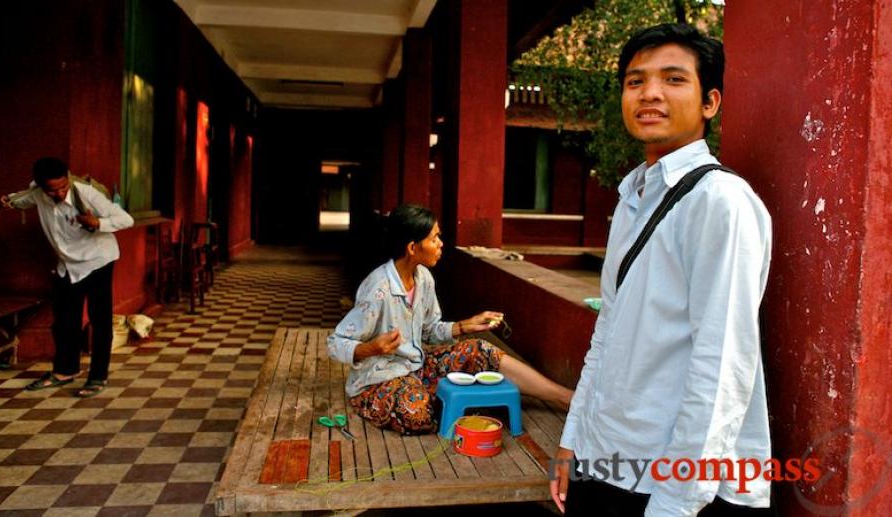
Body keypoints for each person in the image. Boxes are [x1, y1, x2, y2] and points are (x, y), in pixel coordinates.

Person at [551, 24, 774, 516]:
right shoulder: (634, 197)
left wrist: (677, 502)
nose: (649, 93)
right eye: (635, 81)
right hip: (609, 461)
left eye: (673, 79)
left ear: (710, 103)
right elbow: (607, 333)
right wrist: (575, 441)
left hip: (671, 484)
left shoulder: (720, 202)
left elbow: (722, 366)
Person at [327, 204, 573, 435]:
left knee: (480, 350)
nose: (441, 244)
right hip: (379, 379)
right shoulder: (378, 289)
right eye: (434, 238)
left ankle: (566, 398)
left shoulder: (423, 278)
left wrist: (466, 325)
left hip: (416, 368)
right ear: (413, 248)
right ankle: (456, 399)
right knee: (416, 413)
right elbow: (335, 343)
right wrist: (371, 348)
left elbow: (429, 331)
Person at [0, 157, 134, 398]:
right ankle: (65, 370)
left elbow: (126, 219)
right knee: (64, 322)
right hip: (67, 265)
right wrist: (6, 202)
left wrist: (98, 222)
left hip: (98, 261)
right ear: (41, 187)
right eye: (53, 190)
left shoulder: (86, 193)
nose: (60, 193)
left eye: (64, 187)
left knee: (100, 320)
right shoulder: (38, 194)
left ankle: (97, 376)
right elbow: (18, 200)